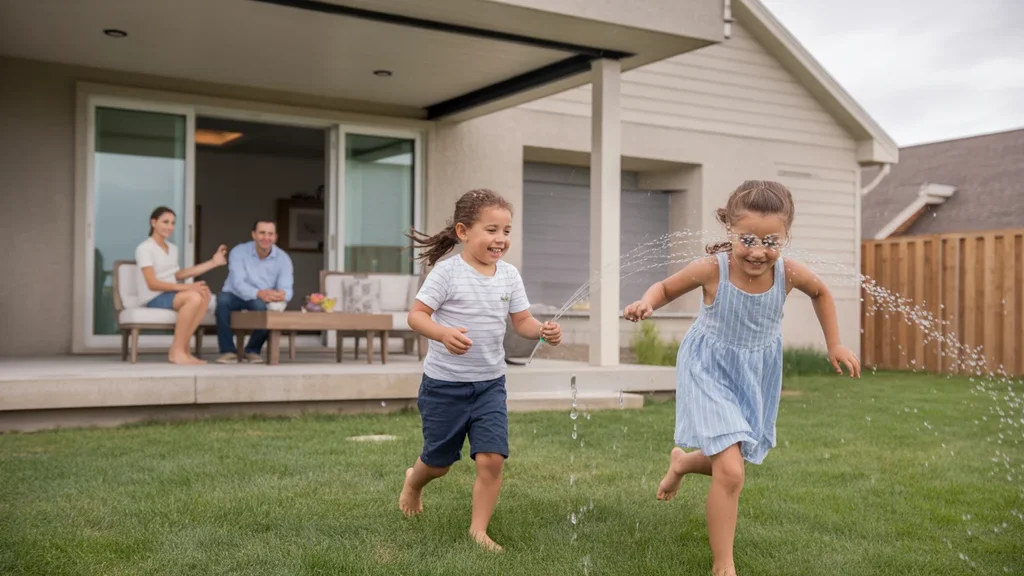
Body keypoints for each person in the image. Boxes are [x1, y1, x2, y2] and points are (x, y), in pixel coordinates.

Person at [623, 180, 861, 576]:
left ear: (786, 237)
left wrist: (834, 344)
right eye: (747, 238)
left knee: (735, 459)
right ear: (730, 232)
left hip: (755, 370)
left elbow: (821, 293)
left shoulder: (788, 273)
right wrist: (647, 302)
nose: (757, 251)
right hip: (708, 367)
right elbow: (665, 287)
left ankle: (682, 462)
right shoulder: (712, 269)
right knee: (732, 471)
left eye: (771, 240)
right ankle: (724, 566)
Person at [397, 189, 562, 552]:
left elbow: (521, 321)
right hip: (444, 386)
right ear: (463, 231)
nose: (500, 239)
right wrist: (442, 333)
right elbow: (416, 316)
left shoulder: (508, 276)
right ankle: (414, 482)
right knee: (438, 464)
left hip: (489, 385)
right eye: (491, 230)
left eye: (506, 231)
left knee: (492, 459)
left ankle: (478, 531)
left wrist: (542, 331)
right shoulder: (447, 273)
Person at [135, 206, 227, 365]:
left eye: (173, 223)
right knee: (193, 297)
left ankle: (183, 349)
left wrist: (213, 262)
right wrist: (187, 288)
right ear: (153, 222)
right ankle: (176, 351)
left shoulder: (172, 248)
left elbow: (178, 275)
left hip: (169, 294)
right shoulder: (145, 248)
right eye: (165, 222)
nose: (170, 227)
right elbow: (152, 284)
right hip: (153, 296)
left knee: (204, 294)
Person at [214, 220, 294, 364]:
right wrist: (259, 293)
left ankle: (252, 350)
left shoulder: (283, 258)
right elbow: (238, 283)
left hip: (261, 298)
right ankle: (227, 351)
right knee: (222, 300)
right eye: (262, 233)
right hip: (235, 294)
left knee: (263, 308)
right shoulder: (239, 252)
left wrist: (281, 294)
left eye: (270, 234)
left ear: (275, 237)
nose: (266, 237)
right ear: (254, 235)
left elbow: (287, 288)